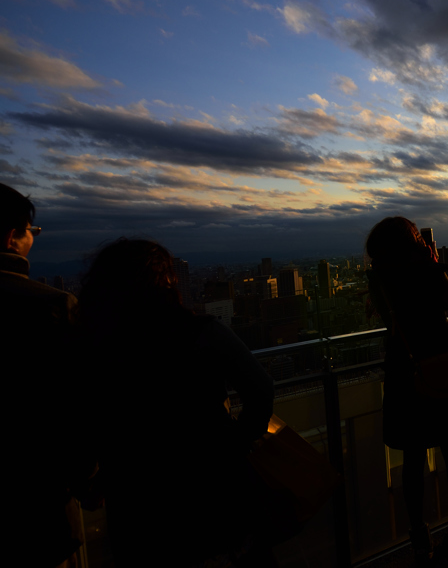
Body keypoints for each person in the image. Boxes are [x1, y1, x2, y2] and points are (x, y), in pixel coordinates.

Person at [79, 238, 275, 566]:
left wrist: (96, 476)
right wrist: (236, 441)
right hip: (212, 489)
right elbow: (260, 387)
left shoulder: (92, 343)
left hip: (135, 500)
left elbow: (86, 418)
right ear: (165, 281)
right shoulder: (199, 331)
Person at [365, 217, 448, 565]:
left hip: (404, 367)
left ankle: (418, 534)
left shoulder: (379, 275)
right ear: (413, 239)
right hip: (439, 359)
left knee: (412, 458)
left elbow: (386, 315)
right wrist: (431, 263)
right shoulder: (424, 267)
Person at [2, 183, 93, 567]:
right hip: (38, 506)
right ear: (13, 236)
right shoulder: (52, 308)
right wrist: (88, 478)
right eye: (31, 231)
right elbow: (78, 406)